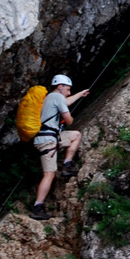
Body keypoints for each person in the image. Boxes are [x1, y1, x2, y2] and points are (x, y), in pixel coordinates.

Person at [30, 74, 89, 221]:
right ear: (60, 86)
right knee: (49, 174)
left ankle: (67, 164)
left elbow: (66, 101)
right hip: (47, 140)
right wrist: (68, 117)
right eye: (68, 89)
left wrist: (80, 95)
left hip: (49, 137)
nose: (69, 92)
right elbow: (68, 120)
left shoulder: (52, 98)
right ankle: (38, 206)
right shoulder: (56, 98)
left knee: (75, 135)